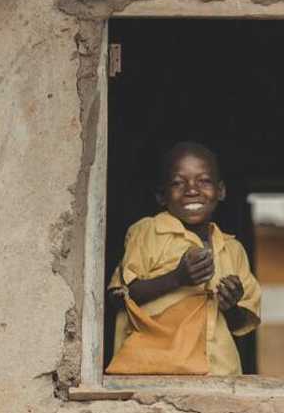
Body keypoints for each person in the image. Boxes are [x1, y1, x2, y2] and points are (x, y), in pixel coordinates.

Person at [106, 141, 260, 376]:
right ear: (161, 195)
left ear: (221, 191)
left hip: (220, 373)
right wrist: (177, 278)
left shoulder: (232, 248)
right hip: (154, 374)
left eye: (204, 181)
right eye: (178, 182)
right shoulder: (148, 232)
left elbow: (241, 324)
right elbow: (120, 296)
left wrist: (231, 306)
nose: (192, 189)